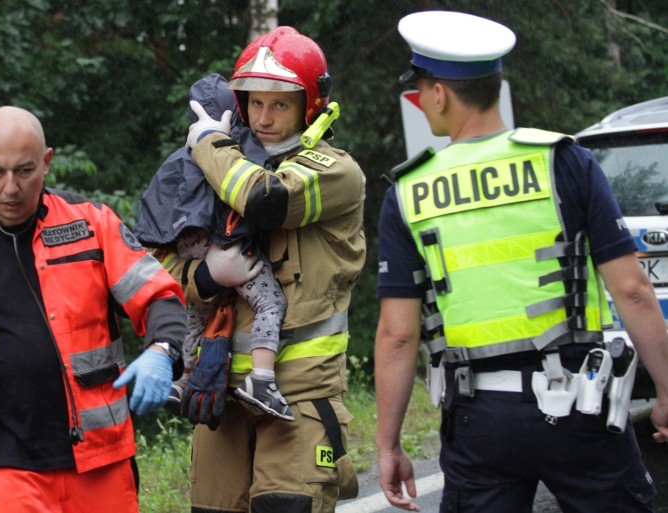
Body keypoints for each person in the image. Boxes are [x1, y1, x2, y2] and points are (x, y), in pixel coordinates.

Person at [374, 10, 668, 512]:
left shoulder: (408, 193)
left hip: (477, 418)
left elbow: (398, 335)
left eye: (421, 88)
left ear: (439, 93)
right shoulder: (564, 161)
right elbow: (633, 290)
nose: (422, 102)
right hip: (583, 403)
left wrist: (388, 444)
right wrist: (665, 389)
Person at [0, 106, 187, 513]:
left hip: (98, 455)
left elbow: (160, 296)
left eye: (25, 170)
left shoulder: (92, 225)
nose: (11, 188)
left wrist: (162, 351)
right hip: (6, 466)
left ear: (47, 162)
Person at [159, 26, 367, 512]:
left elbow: (264, 199)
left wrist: (208, 142)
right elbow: (157, 264)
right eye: (254, 103)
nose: (264, 117)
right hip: (219, 396)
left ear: (309, 105)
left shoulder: (335, 170)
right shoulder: (215, 169)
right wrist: (206, 277)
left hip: (298, 396)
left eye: (280, 104)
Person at [133, 73, 294, 421]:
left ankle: (183, 380)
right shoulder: (235, 148)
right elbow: (258, 192)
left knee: (196, 315)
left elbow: (154, 210)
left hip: (186, 245)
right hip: (227, 242)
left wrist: (185, 254)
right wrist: (209, 271)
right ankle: (263, 379)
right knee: (270, 301)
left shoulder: (177, 158)